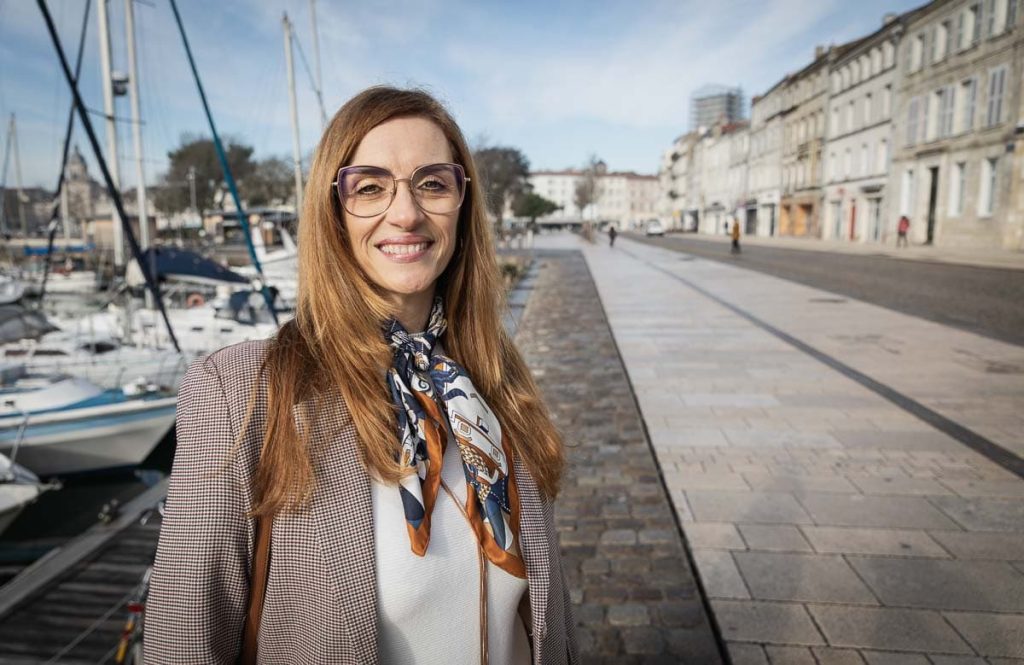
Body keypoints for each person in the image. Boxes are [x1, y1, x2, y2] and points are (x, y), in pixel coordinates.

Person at [144, 87, 578, 664]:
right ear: (333, 210)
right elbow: (185, 641)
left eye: (432, 183)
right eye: (370, 187)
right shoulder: (239, 392)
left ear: (463, 203)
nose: (406, 212)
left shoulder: (494, 381)